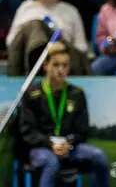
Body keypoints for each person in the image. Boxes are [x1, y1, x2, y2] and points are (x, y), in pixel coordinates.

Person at [19, 42, 109, 187]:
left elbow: (82, 130)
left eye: (65, 65)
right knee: (51, 162)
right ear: (45, 66)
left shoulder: (77, 94)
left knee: (99, 156)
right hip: (41, 149)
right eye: (56, 65)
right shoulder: (32, 94)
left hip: (70, 148)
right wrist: (50, 144)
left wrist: (69, 143)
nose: (61, 70)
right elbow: (27, 132)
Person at [7, 0, 90, 76]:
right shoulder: (26, 8)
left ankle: (43, 68)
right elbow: (12, 40)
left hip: (63, 55)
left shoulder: (70, 11)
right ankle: (38, 66)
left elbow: (81, 45)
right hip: (28, 57)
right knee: (35, 25)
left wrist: (60, 48)